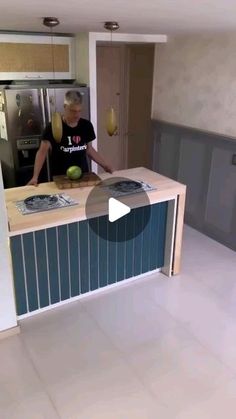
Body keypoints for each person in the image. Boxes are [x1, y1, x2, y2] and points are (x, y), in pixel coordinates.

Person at [28, 90, 113, 185]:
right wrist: (35, 177)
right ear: (65, 107)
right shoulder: (53, 127)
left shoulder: (86, 126)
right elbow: (42, 152)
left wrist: (105, 165)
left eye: (79, 111)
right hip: (60, 178)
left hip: (83, 176)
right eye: (73, 111)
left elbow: (89, 150)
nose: (76, 115)